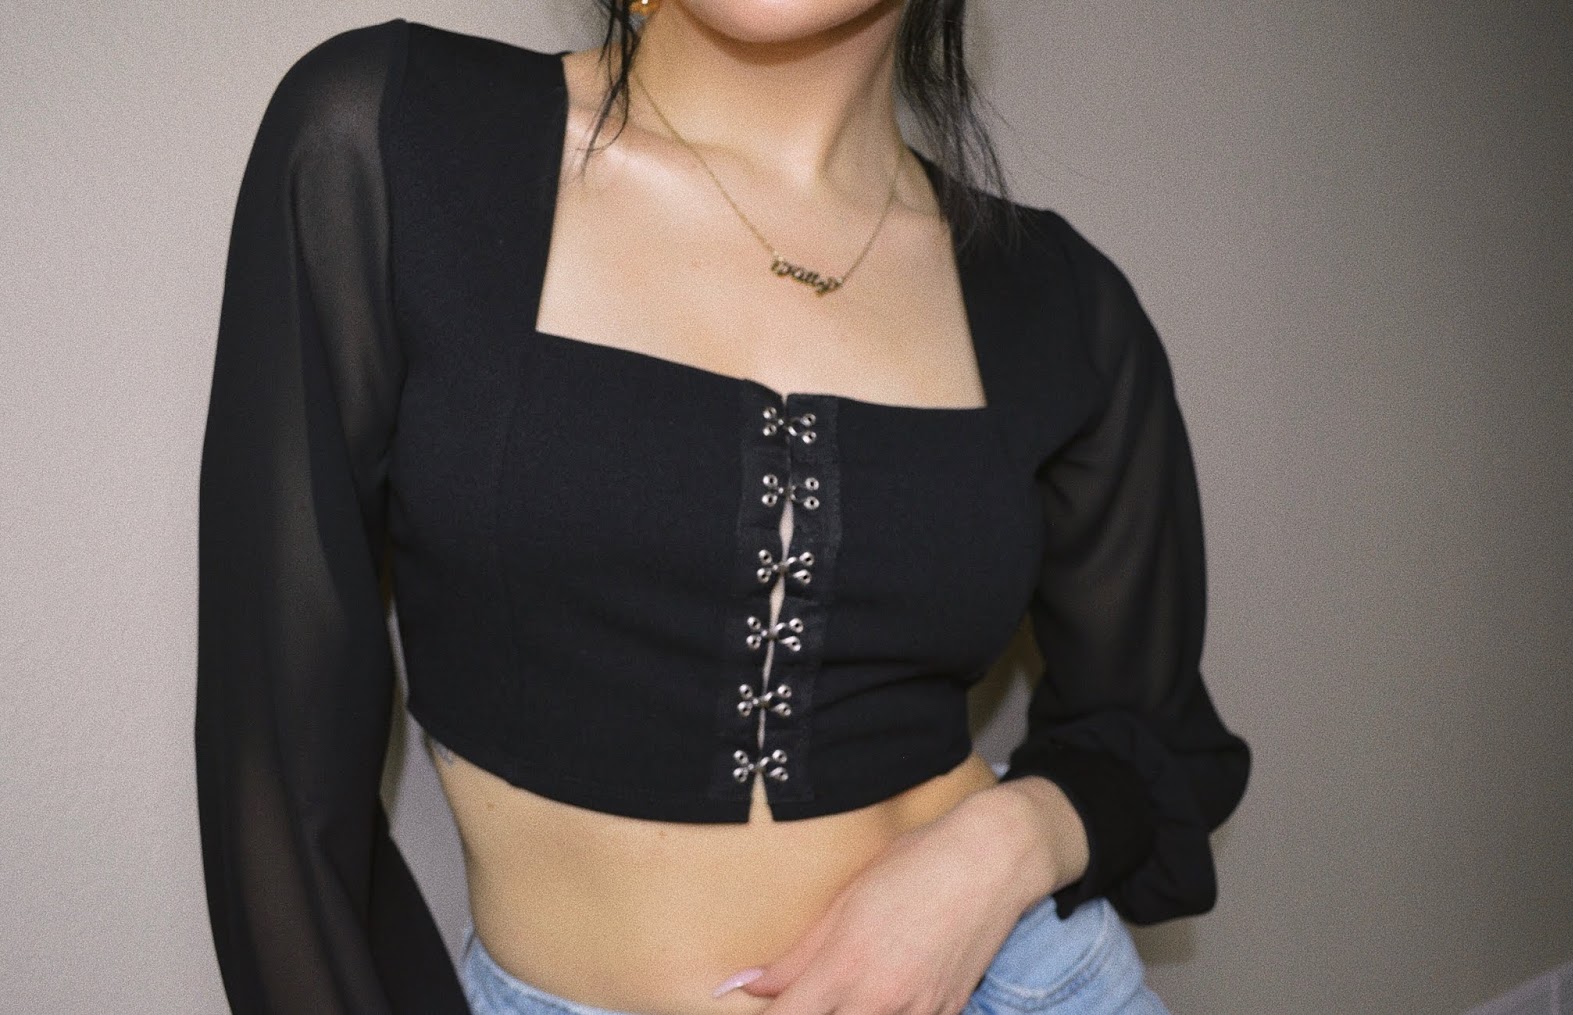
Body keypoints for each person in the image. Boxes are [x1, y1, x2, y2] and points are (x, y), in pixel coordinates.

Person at [194, 1, 1251, 1013]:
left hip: (1018, 983)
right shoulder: (397, 137)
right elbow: (275, 776)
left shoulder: (1058, 301)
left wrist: (1002, 849)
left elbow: (1153, 739)